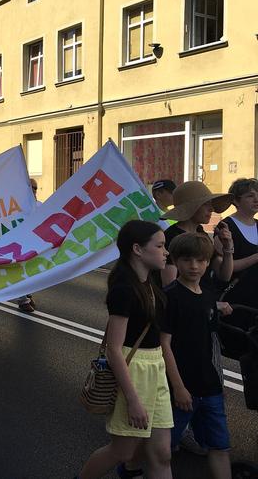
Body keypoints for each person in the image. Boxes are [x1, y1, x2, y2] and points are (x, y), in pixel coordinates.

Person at [76, 220, 172, 479]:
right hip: (135, 369)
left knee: (162, 452)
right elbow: (114, 350)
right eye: (160, 246)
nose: (166, 252)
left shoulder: (150, 283)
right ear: (138, 249)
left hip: (156, 366)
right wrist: (132, 399)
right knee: (123, 451)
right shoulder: (123, 289)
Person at [160, 233, 233, 479]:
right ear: (176, 261)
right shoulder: (170, 297)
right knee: (163, 449)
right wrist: (179, 388)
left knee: (219, 447)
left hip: (210, 387)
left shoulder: (209, 295)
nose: (194, 266)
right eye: (187, 260)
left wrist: (218, 382)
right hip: (181, 389)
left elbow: (211, 343)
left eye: (201, 261)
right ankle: (132, 470)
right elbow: (164, 345)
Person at [160, 181, 234, 290]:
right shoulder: (171, 237)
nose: (211, 209)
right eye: (205, 204)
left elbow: (224, 276)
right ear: (190, 208)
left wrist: (227, 249)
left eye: (211, 204)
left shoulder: (201, 233)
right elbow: (170, 286)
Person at [221, 178, 258, 311]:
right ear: (236, 200)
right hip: (237, 301)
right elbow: (224, 267)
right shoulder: (226, 226)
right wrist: (255, 257)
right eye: (250, 196)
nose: (256, 199)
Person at [17, 178, 42, 312]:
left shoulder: (40, 205)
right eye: (31, 187)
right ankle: (22, 300)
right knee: (21, 272)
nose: (33, 190)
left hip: (35, 245)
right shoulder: (16, 206)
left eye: (35, 188)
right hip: (20, 245)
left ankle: (28, 294)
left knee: (33, 272)